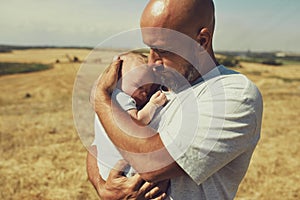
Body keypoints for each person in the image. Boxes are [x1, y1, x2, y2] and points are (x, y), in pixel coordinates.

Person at [87, 0, 263, 199]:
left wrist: (102, 100)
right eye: (149, 49)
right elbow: (100, 143)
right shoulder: (153, 88)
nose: (152, 62)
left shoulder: (235, 95)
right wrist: (103, 187)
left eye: (163, 50)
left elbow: (152, 162)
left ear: (201, 41)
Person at [94, 52, 167, 181]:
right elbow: (138, 121)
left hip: (107, 167)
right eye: (139, 87)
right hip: (123, 170)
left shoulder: (111, 98)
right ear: (118, 81)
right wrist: (153, 104)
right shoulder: (121, 98)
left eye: (147, 89)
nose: (144, 94)